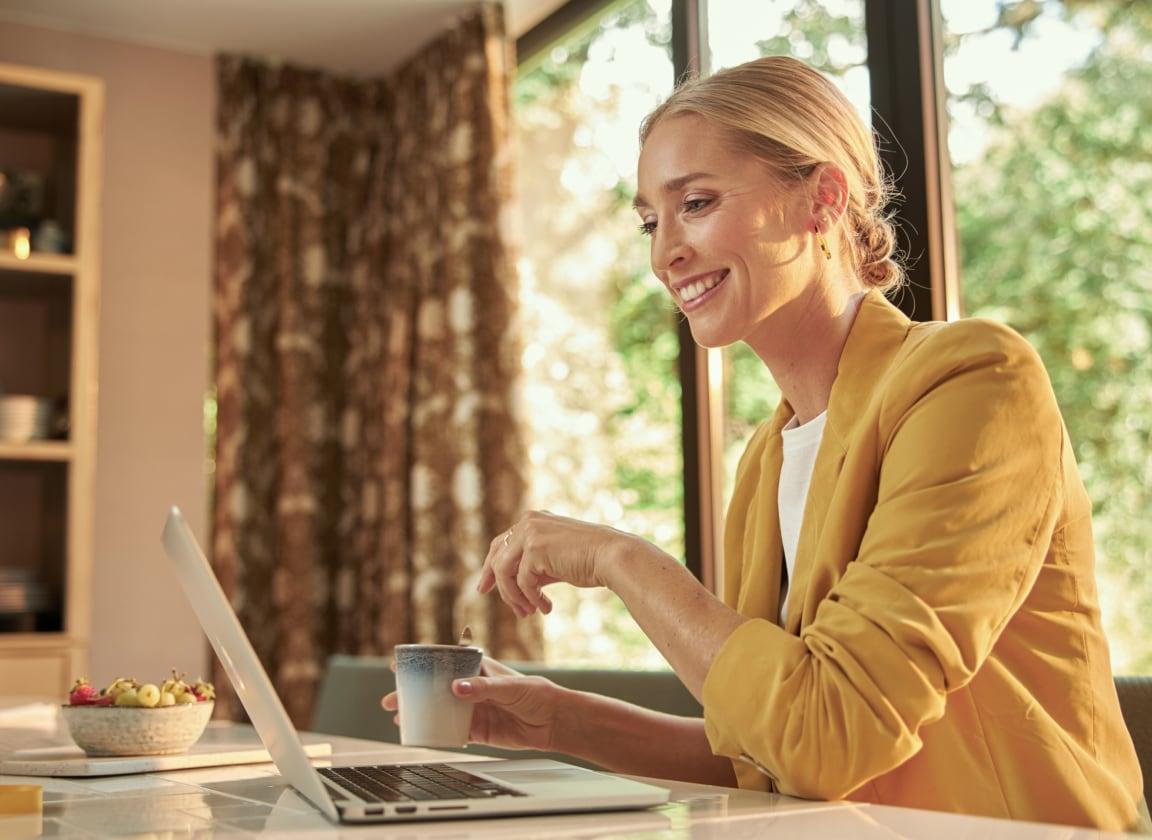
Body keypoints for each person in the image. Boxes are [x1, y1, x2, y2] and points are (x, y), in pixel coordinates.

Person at [383, 55, 1146, 831]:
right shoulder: (769, 456)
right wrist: (561, 722)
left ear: (821, 200)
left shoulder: (974, 382)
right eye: (652, 222)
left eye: (697, 204)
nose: (663, 254)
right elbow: (771, 748)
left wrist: (621, 559)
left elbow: (830, 736)